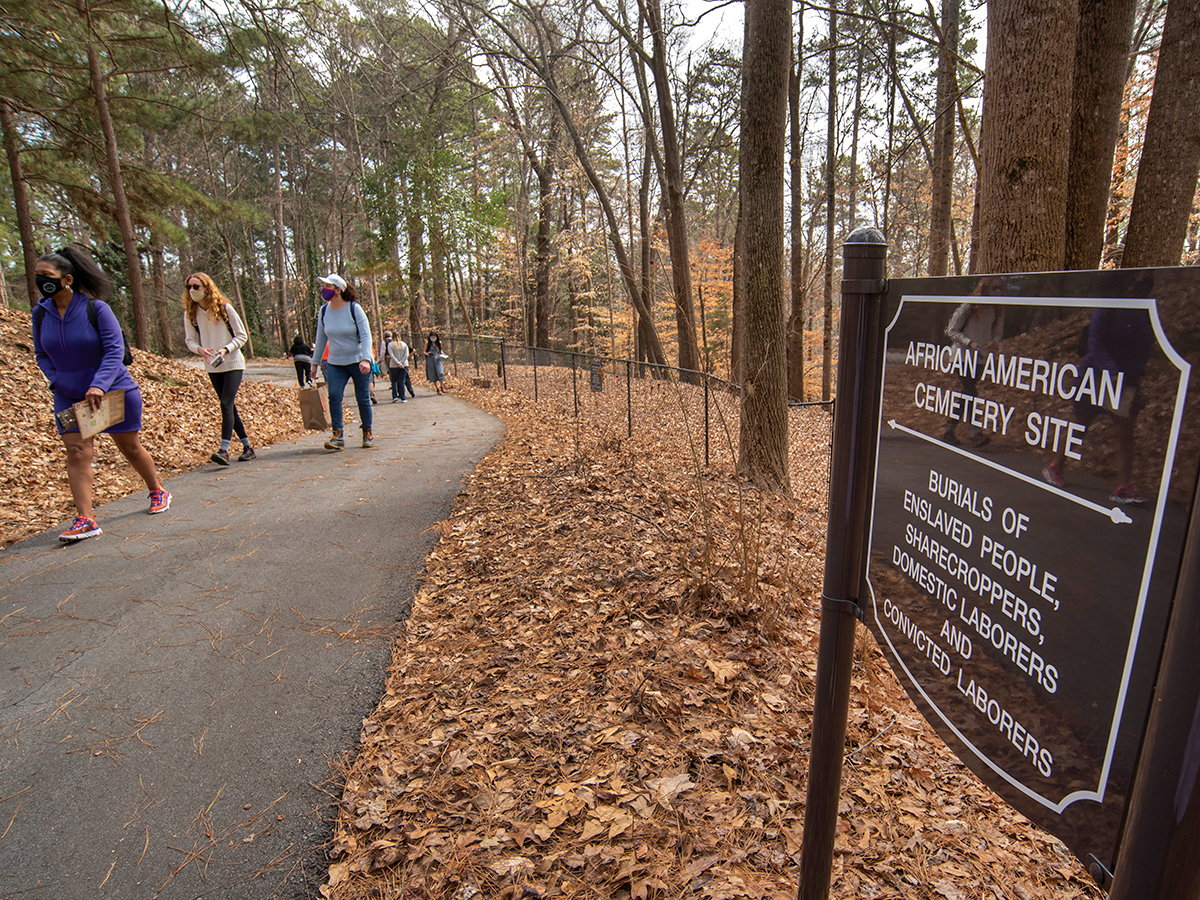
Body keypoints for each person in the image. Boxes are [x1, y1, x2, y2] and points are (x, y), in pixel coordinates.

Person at [32, 246, 171, 541]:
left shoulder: (96, 309)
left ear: (66, 278)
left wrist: (99, 384)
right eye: (37, 275)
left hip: (110, 391)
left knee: (130, 447)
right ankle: (85, 519)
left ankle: (157, 489)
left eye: (46, 275)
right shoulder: (40, 314)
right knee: (77, 451)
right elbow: (41, 354)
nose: (40, 280)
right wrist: (58, 380)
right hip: (68, 395)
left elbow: (114, 351)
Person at [1042, 307, 1152, 506]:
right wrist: (1112, 372)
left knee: (1124, 431)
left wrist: (1133, 378)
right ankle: (1055, 465)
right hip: (1095, 375)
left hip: (1125, 380)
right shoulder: (1107, 306)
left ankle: (1123, 486)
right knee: (1080, 425)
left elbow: (1145, 346)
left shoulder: (1143, 311)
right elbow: (1095, 343)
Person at [183, 273, 255, 465]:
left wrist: (226, 349)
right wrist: (199, 349)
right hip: (212, 366)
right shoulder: (190, 314)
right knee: (229, 406)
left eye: (196, 287)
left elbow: (241, 336)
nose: (192, 291)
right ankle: (247, 447)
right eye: (188, 287)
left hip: (232, 363)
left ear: (207, 287)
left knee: (225, 403)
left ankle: (224, 449)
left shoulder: (225, 308)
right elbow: (189, 340)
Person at [311, 273, 374, 450]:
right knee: (334, 396)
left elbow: (366, 336)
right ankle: (337, 435)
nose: (324, 289)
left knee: (362, 398)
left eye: (327, 286)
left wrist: (366, 359)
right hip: (335, 363)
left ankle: (367, 432)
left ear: (338, 290)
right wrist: (315, 363)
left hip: (358, 360)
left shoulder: (354, 309)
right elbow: (321, 338)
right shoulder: (324, 311)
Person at [942, 303, 1004, 448]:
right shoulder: (968, 307)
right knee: (970, 392)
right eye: (993, 289)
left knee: (968, 394)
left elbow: (998, 332)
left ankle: (951, 430)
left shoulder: (998, 309)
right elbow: (951, 331)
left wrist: (993, 342)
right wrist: (968, 342)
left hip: (980, 358)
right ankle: (974, 432)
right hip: (962, 357)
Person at [385, 331, 412, 402]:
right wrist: (401, 362)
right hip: (404, 364)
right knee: (401, 381)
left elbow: (391, 355)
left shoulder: (390, 345)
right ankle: (403, 397)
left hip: (393, 365)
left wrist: (397, 363)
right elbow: (406, 354)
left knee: (393, 381)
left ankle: (394, 396)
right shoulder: (404, 344)